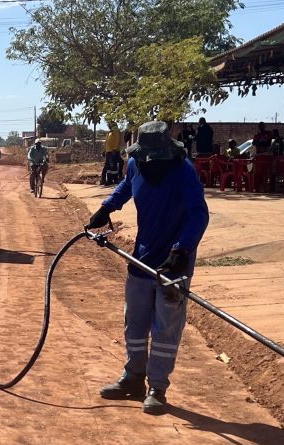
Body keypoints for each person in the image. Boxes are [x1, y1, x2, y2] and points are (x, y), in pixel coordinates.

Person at [85, 121, 211, 415]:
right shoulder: (135, 163)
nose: (149, 163)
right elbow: (126, 186)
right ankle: (133, 378)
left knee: (166, 327)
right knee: (135, 322)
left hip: (174, 261)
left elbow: (199, 213)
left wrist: (182, 249)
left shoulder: (183, 170)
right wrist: (106, 207)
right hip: (142, 256)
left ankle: (157, 387)